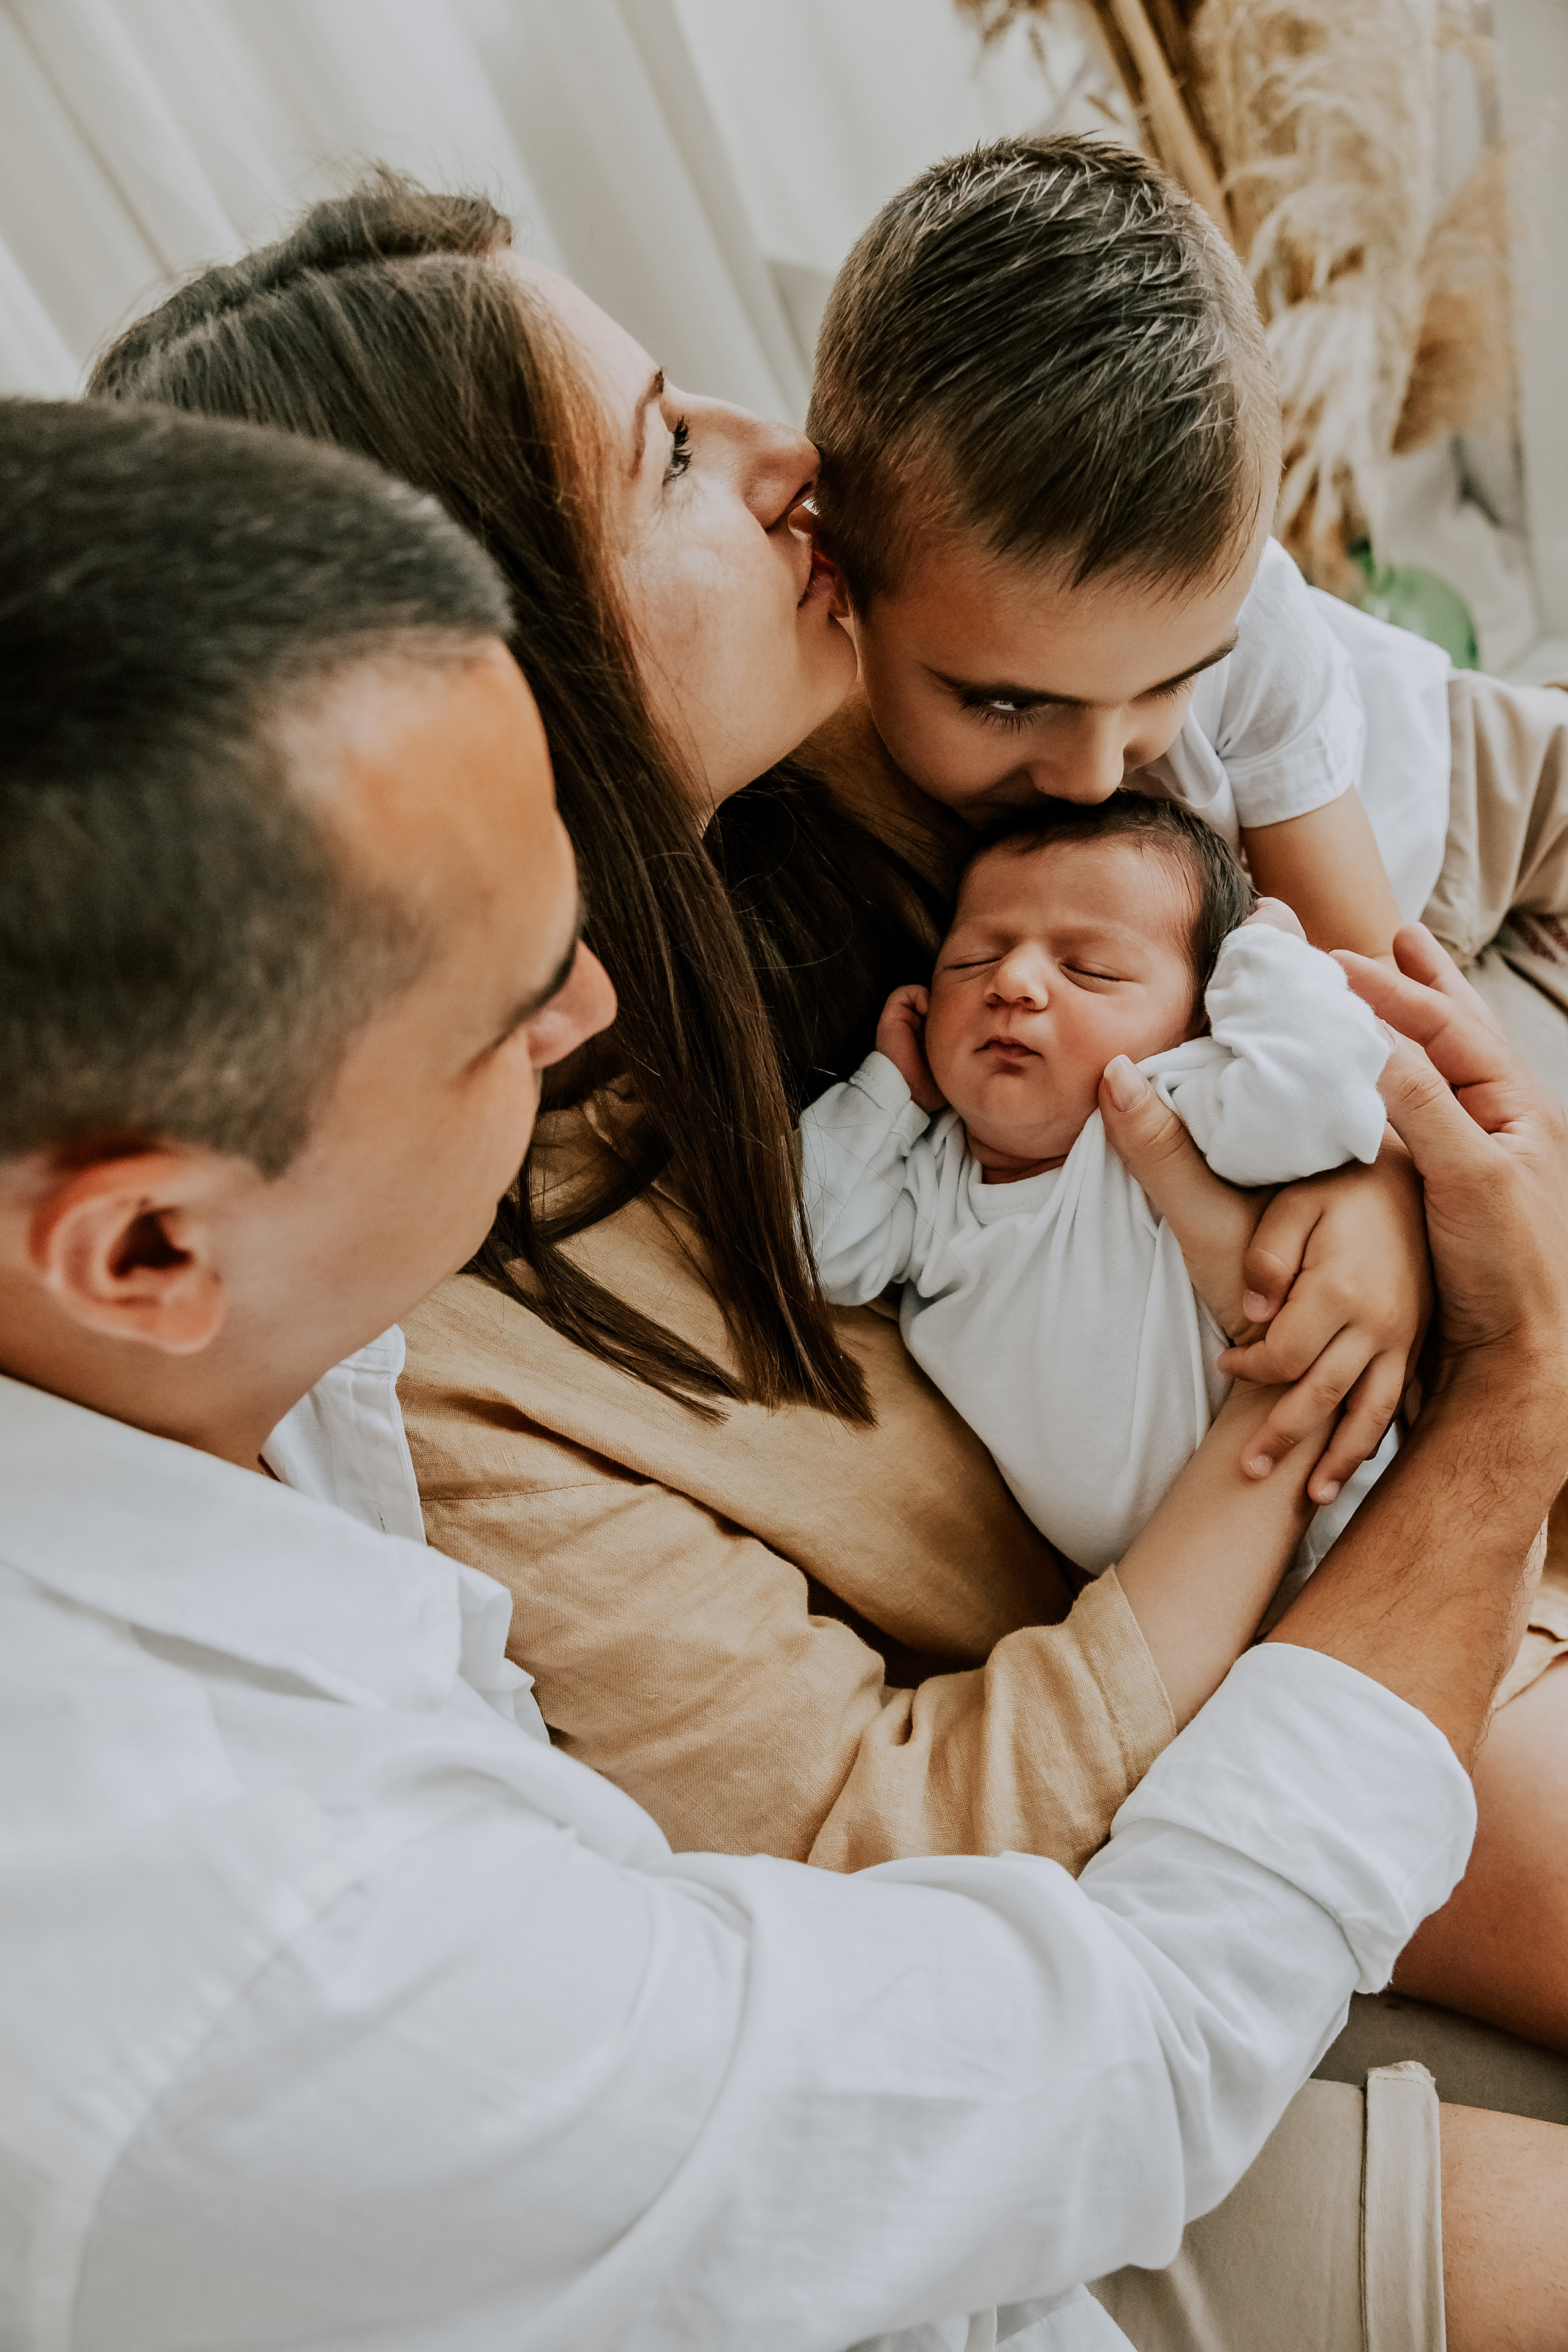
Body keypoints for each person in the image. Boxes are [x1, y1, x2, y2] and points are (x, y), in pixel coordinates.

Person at [4, 391, 1568, 2352]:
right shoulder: (279, 1926)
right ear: (146, 1243)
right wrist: (1492, 1402)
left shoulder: (234, 1423)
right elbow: (1083, 2032)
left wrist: (1361, 1154)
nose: (785, 457)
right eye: (514, 1000)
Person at [805, 134, 1568, 1069]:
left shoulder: (1263, 632)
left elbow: (1365, 1011)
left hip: (1452, 788)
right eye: (1006, 702)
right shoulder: (814, 748)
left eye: (1172, 684)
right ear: (834, 581)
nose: (1092, 776)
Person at [801, 795, 1393, 1577]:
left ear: (1197, 1019)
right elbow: (816, 1247)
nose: (1012, 981)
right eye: (970, 960)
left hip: (1349, 1532)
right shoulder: (930, 1172)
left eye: (1090, 969)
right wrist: (892, 1092)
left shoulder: (1180, 1101)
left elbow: (1325, 1105)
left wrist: (1264, 947)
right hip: (1162, 1599)